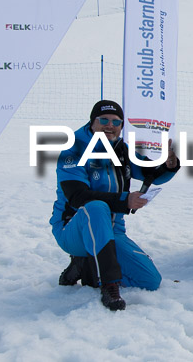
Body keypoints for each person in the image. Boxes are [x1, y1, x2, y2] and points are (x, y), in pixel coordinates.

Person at [52, 100, 180, 310]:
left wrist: (169, 165)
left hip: (112, 232)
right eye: (103, 120)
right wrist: (124, 200)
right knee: (96, 207)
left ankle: (86, 266)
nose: (109, 125)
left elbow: (150, 172)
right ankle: (109, 286)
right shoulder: (74, 149)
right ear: (92, 122)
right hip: (73, 230)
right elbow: (77, 196)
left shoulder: (121, 149)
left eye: (116, 121)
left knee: (150, 280)